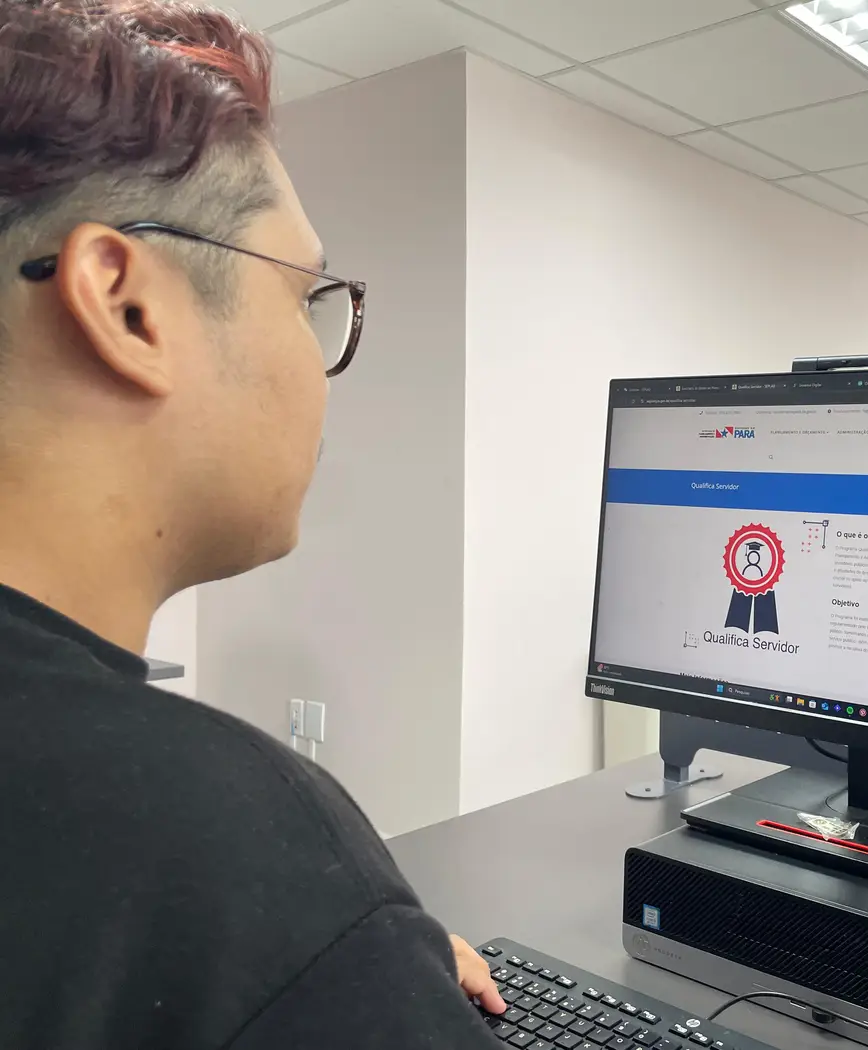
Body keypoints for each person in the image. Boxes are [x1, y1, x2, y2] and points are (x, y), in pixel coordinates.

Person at [0, 3, 503, 1046]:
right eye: (306, 295)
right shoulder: (233, 849)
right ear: (127, 305)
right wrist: (337, 957)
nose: (322, 371)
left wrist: (350, 973)